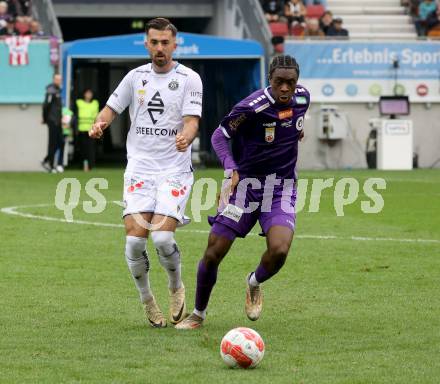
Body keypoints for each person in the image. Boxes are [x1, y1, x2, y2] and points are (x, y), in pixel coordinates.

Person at [176, 54, 310, 329]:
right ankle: (198, 314)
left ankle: (254, 282)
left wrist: (294, 133)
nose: (285, 88)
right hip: (245, 188)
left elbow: (293, 124)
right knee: (215, 251)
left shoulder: (303, 99)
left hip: (280, 188)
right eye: (279, 82)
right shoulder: (252, 107)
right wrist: (230, 169)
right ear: (269, 80)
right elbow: (219, 136)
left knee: (280, 249)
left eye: (291, 83)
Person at [89, 18, 203, 328]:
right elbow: (111, 108)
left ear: (175, 44)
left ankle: (176, 286)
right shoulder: (134, 78)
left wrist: (188, 135)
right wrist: (100, 123)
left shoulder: (189, 78)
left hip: (174, 170)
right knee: (134, 244)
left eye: (165, 43)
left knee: (164, 238)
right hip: (140, 169)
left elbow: (193, 120)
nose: (160, 48)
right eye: (154, 42)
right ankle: (147, 300)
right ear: (146, 44)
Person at [41, 73, 64, 173]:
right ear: (53, 79)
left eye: (60, 79)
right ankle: (50, 165)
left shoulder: (58, 90)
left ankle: (47, 161)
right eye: (57, 79)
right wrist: (45, 119)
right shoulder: (51, 91)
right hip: (52, 120)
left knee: (60, 142)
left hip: (58, 121)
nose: (58, 81)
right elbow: (46, 106)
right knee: (53, 143)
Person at [75, 89, 99, 171]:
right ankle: (82, 165)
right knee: (82, 149)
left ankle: (90, 166)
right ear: (84, 94)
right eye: (87, 93)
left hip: (91, 130)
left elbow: (97, 116)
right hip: (81, 129)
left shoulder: (95, 103)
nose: (89, 95)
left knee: (91, 149)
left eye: (90, 93)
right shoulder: (79, 103)